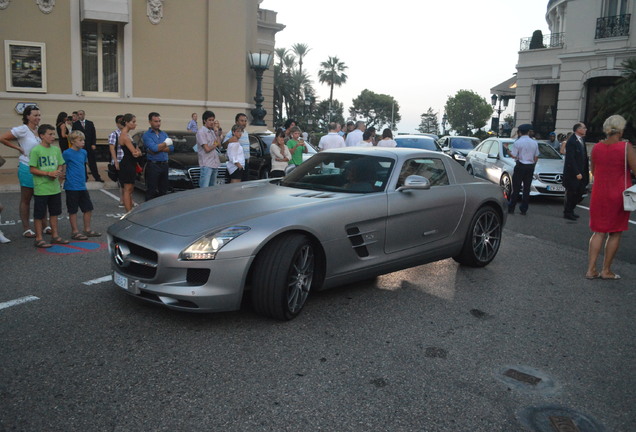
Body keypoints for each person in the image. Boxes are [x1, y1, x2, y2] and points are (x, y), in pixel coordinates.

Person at [586, 115, 636, 280]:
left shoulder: (597, 147)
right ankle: (606, 270)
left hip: (599, 194)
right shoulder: (626, 147)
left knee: (598, 232)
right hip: (618, 194)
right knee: (615, 232)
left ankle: (591, 269)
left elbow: (593, 169)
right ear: (620, 130)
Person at [0, 105, 49, 238]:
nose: (38, 117)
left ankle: (45, 224)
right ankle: (26, 228)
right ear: (27, 116)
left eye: (39, 115)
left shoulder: (39, 130)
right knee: (26, 198)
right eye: (35, 115)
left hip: (40, 168)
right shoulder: (22, 129)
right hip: (26, 166)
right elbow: (2, 138)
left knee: (41, 197)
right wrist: (18, 148)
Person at [29, 124, 67, 248]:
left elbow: (60, 164)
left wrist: (58, 171)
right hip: (41, 188)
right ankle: (39, 238)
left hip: (54, 187)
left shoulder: (56, 149)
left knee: (54, 213)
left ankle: (55, 236)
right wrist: (47, 173)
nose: (53, 137)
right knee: (39, 214)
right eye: (50, 134)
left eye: (53, 134)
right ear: (42, 136)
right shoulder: (36, 150)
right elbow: (32, 169)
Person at [63, 131, 101, 240]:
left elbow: (83, 165)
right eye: (80, 140)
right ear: (73, 141)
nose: (83, 142)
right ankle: (75, 231)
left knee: (88, 208)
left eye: (83, 140)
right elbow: (63, 165)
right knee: (73, 210)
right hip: (71, 185)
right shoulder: (67, 153)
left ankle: (87, 229)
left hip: (81, 185)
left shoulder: (84, 152)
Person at [508, 123, 539, 215]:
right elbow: (536, 156)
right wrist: (533, 164)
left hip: (520, 165)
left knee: (516, 188)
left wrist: (508, 151)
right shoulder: (534, 142)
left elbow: (514, 155)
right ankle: (524, 209)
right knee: (526, 188)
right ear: (529, 132)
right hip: (530, 167)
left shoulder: (517, 142)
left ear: (520, 132)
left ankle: (512, 207)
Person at [142, 112, 173, 201]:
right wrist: (165, 144)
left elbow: (171, 148)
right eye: (155, 121)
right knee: (151, 190)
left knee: (163, 191)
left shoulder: (163, 134)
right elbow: (154, 148)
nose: (158, 123)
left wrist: (159, 147)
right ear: (150, 122)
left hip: (164, 165)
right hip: (153, 165)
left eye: (159, 121)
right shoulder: (147, 135)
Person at [563, 123, 590, 221]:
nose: (585, 129)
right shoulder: (571, 141)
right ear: (578, 129)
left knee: (580, 192)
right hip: (573, 173)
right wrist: (576, 172)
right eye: (584, 128)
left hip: (582, 171)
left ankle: (571, 209)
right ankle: (568, 212)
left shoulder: (582, 139)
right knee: (572, 193)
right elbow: (571, 159)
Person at [118, 114, 141, 212]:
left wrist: (138, 152)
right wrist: (138, 152)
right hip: (127, 164)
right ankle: (128, 211)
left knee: (130, 188)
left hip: (130, 163)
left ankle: (130, 209)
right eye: (133, 122)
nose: (135, 124)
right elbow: (135, 152)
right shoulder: (124, 136)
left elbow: (137, 151)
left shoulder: (128, 135)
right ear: (126, 123)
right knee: (127, 189)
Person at [73, 110, 103, 182]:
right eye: (79, 114)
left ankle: (97, 177)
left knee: (92, 162)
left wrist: (93, 144)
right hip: (81, 146)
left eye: (81, 114)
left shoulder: (90, 123)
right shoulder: (76, 124)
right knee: (82, 162)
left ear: (84, 115)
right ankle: (84, 177)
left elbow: (93, 134)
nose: (80, 116)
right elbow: (74, 135)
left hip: (89, 145)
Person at [197, 110, 221, 187]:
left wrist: (217, 134)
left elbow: (219, 145)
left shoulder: (212, 132)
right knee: (204, 189)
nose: (212, 122)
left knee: (212, 189)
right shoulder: (201, 132)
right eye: (209, 120)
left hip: (215, 163)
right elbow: (207, 149)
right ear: (204, 121)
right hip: (206, 164)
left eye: (213, 120)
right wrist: (215, 144)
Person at [223, 113, 250, 181]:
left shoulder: (246, 133)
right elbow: (223, 146)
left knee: (244, 185)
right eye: (242, 121)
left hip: (244, 163)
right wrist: (229, 141)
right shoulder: (231, 133)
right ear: (236, 122)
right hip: (236, 164)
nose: (244, 123)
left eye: (245, 121)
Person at [108, 115, 125, 207]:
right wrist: (115, 161)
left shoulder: (126, 134)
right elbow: (112, 149)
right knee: (122, 182)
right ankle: (122, 200)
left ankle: (127, 199)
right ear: (117, 123)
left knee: (127, 182)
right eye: (120, 122)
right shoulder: (114, 134)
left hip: (127, 161)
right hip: (119, 160)